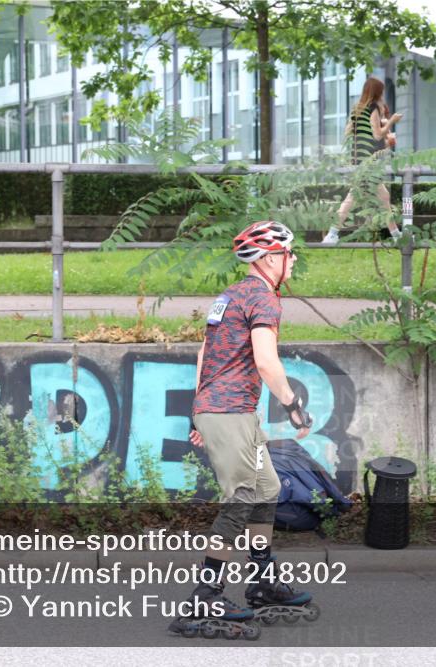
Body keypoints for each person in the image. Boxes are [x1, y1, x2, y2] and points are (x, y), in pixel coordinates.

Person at [167, 220, 320, 639]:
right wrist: (293, 406)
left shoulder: (231, 295)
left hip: (228, 412)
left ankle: (262, 580)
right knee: (243, 498)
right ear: (271, 258)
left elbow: (206, 354)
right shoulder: (264, 299)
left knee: (267, 489)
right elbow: (267, 362)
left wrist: (198, 412)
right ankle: (205, 595)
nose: (293, 260)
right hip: (231, 413)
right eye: (289, 254)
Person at [322, 76, 404, 245]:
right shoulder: (373, 107)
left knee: (382, 197)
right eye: (381, 91)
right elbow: (377, 135)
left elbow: (347, 133)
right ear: (376, 92)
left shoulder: (356, 109)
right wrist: (391, 123)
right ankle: (332, 234)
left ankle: (396, 235)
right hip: (369, 159)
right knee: (354, 197)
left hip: (358, 157)